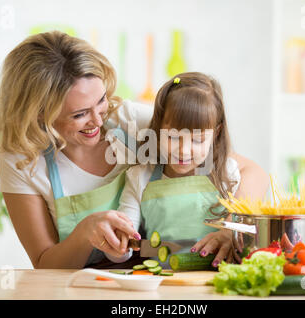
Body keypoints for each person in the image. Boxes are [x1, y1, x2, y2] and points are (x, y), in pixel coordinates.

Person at [0, 31, 268, 269]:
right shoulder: (21, 158)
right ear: (38, 115)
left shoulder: (132, 123)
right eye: (80, 114)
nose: (99, 120)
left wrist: (232, 227)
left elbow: (251, 172)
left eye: (101, 100)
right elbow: (45, 263)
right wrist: (85, 233)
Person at [115, 72, 269, 267]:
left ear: (216, 133)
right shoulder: (140, 176)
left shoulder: (227, 173)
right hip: (163, 283)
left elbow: (253, 223)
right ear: (158, 127)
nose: (184, 150)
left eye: (198, 139)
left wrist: (232, 231)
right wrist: (118, 244)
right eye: (172, 136)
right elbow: (123, 246)